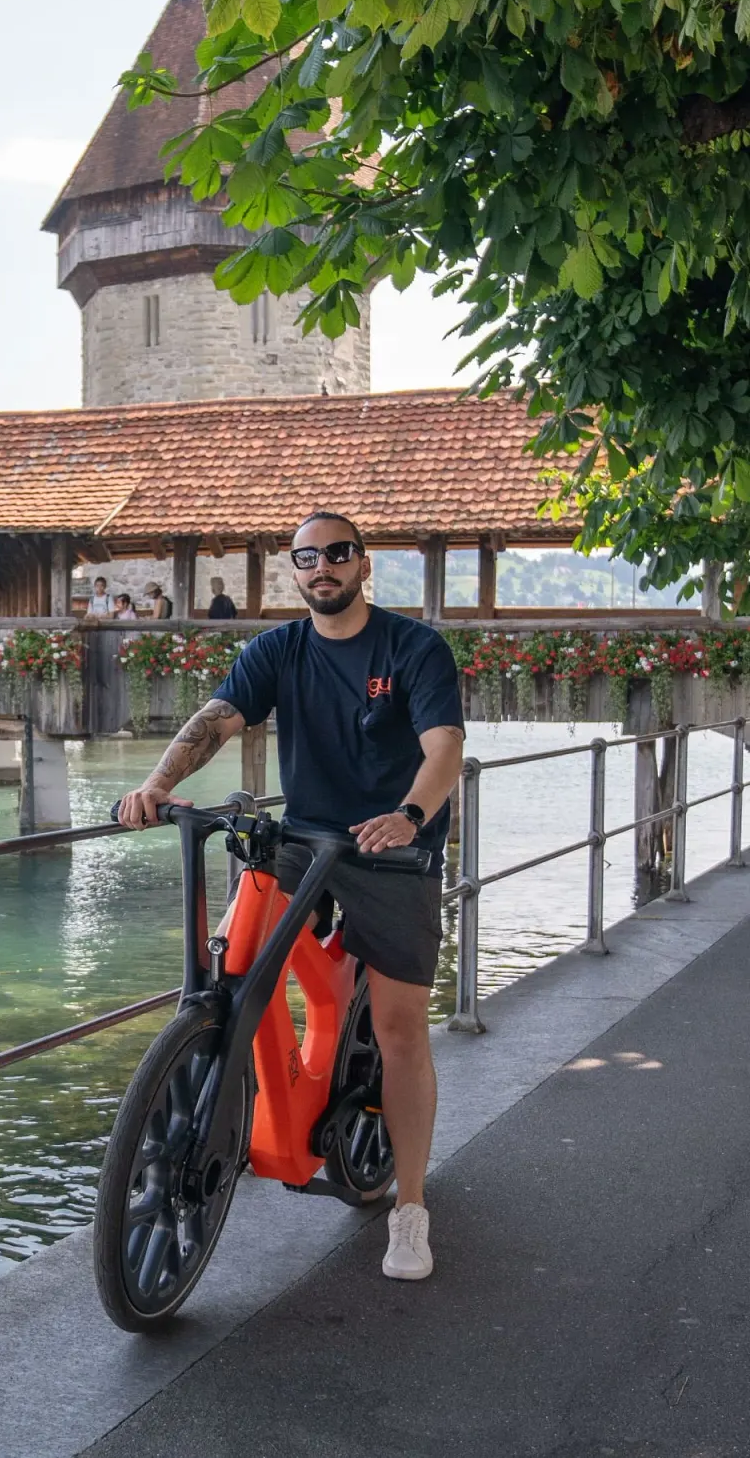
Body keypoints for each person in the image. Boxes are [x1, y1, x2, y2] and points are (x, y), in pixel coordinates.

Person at [118, 511, 464, 1283]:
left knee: (402, 1027)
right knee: (239, 954)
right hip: (306, 837)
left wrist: (409, 815)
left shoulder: (413, 648)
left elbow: (445, 752)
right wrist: (157, 785)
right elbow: (217, 718)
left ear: (362, 564)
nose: (322, 568)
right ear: (295, 572)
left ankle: (409, 1208)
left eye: (336, 554)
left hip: (392, 848)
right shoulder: (279, 648)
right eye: (306, 558)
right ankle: (233, 1065)